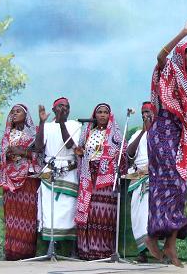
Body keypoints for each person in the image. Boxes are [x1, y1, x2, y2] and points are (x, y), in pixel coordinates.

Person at [146, 19, 187, 267]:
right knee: (165, 185)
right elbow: (160, 56)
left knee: (178, 188)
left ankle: (169, 243)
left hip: (178, 134)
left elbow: (184, 110)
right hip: (162, 131)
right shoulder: (168, 70)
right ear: (181, 54)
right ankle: (151, 237)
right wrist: (183, 33)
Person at [74, 103, 126, 260]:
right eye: (99, 112)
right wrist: (80, 153)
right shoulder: (88, 131)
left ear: (110, 116)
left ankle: (102, 251)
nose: (102, 115)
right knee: (88, 213)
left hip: (106, 179)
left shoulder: (115, 133)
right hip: (89, 176)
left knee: (102, 214)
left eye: (105, 112)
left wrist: (111, 155)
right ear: (94, 115)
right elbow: (80, 150)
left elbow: (123, 150)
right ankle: (86, 251)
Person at [0, 104, 40, 260]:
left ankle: (26, 253)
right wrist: (7, 154)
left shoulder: (33, 133)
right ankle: (12, 253)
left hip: (27, 180)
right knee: (12, 217)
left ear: (26, 115)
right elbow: (1, 156)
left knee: (28, 216)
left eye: (18, 111)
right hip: (9, 180)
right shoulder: (7, 134)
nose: (14, 114)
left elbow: (39, 154)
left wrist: (23, 152)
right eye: (12, 112)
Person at [34, 97, 81, 253]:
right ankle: (51, 244)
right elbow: (39, 147)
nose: (64, 109)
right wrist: (41, 123)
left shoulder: (75, 125)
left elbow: (69, 144)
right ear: (53, 110)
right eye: (60, 107)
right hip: (50, 171)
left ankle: (73, 248)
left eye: (67, 107)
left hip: (69, 171)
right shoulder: (47, 126)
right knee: (50, 208)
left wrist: (61, 123)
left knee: (69, 209)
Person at [126, 102, 155, 263]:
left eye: (149, 112)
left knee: (154, 215)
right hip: (138, 178)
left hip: (156, 178)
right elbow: (129, 154)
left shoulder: (162, 132)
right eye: (144, 112)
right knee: (138, 217)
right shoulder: (137, 133)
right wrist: (143, 132)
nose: (146, 114)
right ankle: (142, 253)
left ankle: (161, 252)